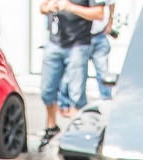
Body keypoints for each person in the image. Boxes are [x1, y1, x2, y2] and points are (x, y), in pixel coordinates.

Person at [39, 0, 105, 148]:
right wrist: (48, 8)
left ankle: (75, 136)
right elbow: (42, 7)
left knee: (76, 94)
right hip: (54, 42)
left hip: (78, 44)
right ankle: (51, 128)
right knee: (47, 90)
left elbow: (99, 14)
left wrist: (70, 7)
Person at [87, 1, 114, 102]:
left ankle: (106, 101)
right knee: (78, 73)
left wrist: (110, 22)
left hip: (99, 35)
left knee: (103, 72)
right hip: (80, 37)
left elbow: (111, 2)